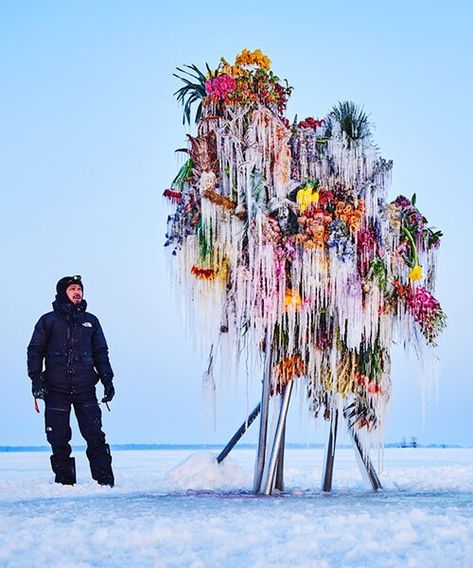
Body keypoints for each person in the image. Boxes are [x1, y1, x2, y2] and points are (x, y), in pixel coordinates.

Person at [27, 275, 115, 487]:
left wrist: (107, 380)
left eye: (79, 289)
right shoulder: (48, 321)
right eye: (72, 289)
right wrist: (36, 380)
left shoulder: (91, 321)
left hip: (85, 388)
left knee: (95, 434)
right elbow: (35, 351)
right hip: (56, 389)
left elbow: (101, 352)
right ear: (62, 293)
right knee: (58, 437)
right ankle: (65, 482)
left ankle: (105, 481)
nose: (77, 293)